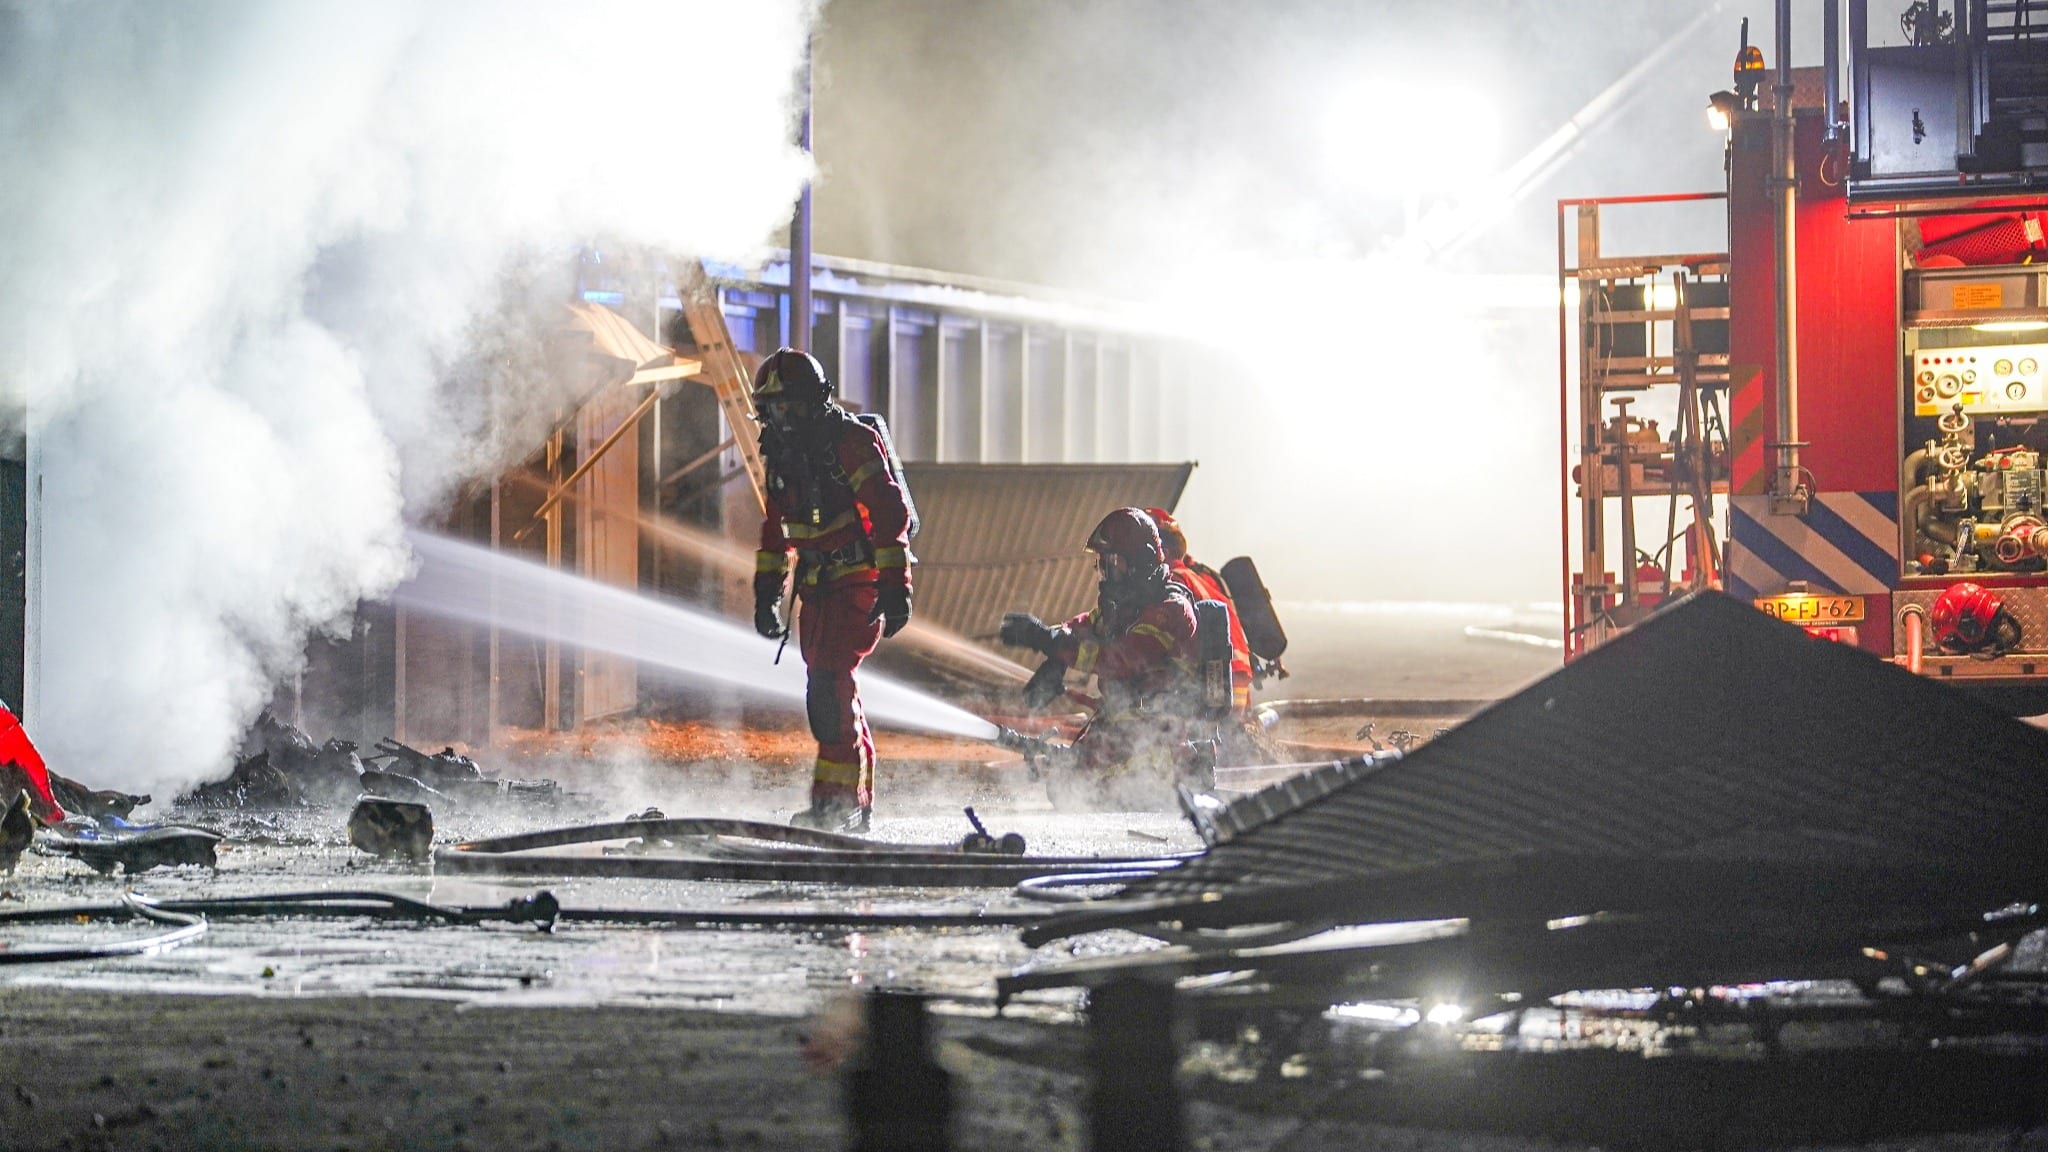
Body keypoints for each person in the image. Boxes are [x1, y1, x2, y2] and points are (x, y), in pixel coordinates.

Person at [751, 348, 914, 833]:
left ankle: (839, 805)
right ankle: (846, 801)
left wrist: (896, 584)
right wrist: (767, 592)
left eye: (789, 406)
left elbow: (889, 512)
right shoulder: (782, 455)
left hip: (857, 582)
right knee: (831, 691)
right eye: (773, 408)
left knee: (827, 691)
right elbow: (776, 530)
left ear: (814, 401)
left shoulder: (851, 443)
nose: (781, 418)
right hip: (817, 591)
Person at [999, 508, 1201, 807]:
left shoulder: (1170, 611)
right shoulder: (1125, 609)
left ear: (1141, 562)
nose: (1107, 574)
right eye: (1102, 565)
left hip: (1158, 743)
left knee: (1088, 794)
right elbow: (1082, 626)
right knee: (1064, 788)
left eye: (1114, 563)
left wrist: (1049, 642)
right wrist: (1055, 658)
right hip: (1120, 732)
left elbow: (1122, 659)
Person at [1145, 507, 1253, 719]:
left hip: (1216, 684)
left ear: (1162, 550)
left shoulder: (1171, 583)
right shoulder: (1201, 577)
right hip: (1234, 680)